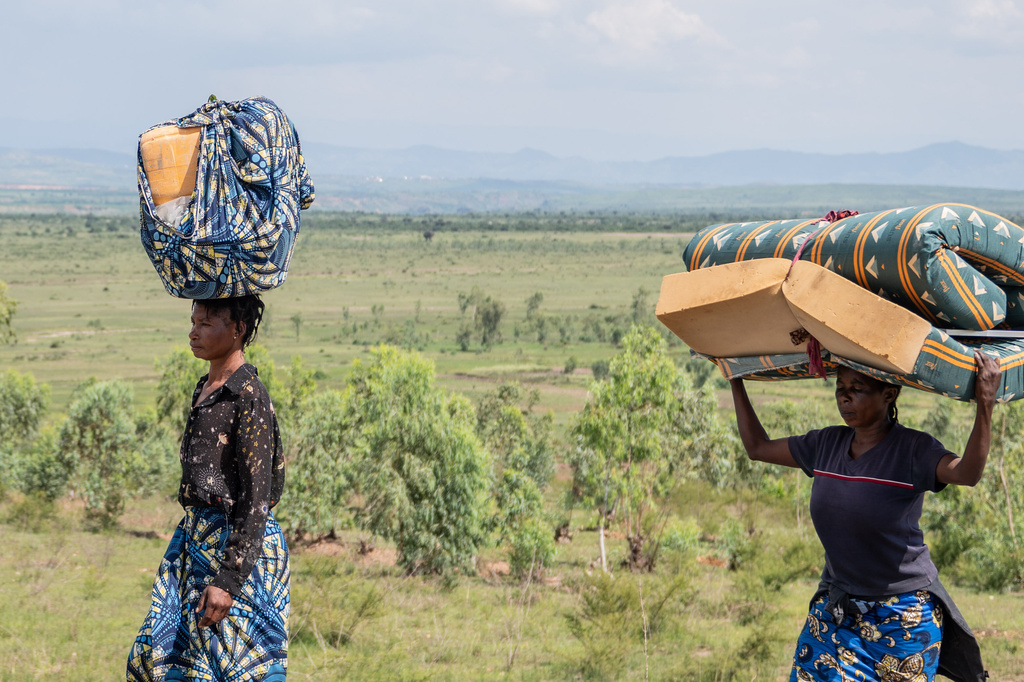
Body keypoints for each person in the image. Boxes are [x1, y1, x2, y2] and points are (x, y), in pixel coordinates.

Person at [731, 351, 999, 682]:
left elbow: (968, 473)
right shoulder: (826, 444)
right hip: (838, 610)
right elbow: (757, 447)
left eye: (856, 388)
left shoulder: (913, 450)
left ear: (889, 394)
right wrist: (735, 378)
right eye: (840, 386)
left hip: (902, 617)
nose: (844, 396)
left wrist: (985, 404)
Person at [127, 295, 288, 682]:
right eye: (193, 321)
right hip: (195, 543)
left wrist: (228, 581)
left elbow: (257, 498)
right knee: (155, 661)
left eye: (206, 324)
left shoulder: (248, 396)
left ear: (238, 330)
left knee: (229, 671)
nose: (193, 332)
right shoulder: (206, 386)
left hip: (235, 551)